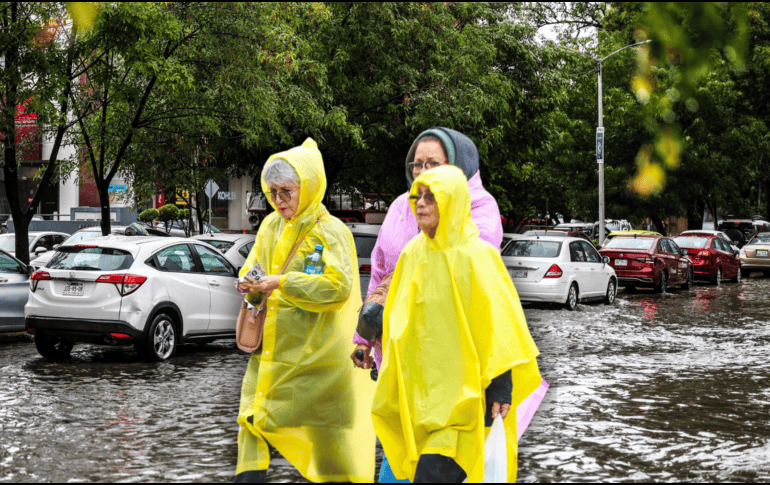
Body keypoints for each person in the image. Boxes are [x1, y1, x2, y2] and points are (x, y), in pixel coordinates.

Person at [372, 165, 544, 483]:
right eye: (417, 196)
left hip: (463, 402)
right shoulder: (412, 254)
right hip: (420, 398)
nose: (421, 204)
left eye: (431, 197)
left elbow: (499, 325)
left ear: (452, 201)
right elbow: (399, 320)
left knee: (431, 473)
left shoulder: (477, 256)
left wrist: (501, 385)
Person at [234, 138, 375, 483]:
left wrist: (282, 283)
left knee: (329, 450)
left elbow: (338, 287)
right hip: (270, 355)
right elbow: (255, 265)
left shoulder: (331, 232)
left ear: (308, 188)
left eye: (286, 192)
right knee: (251, 421)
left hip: (317, 361)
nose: (278, 200)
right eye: (272, 193)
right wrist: (249, 282)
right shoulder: (270, 226)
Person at [352, 126, 503, 371]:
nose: (423, 172)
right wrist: (364, 337)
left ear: (457, 166)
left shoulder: (479, 208)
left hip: (451, 352)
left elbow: (470, 272)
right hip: (396, 349)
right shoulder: (401, 206)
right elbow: (379, 273)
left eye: (433, 163)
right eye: (417, 164)